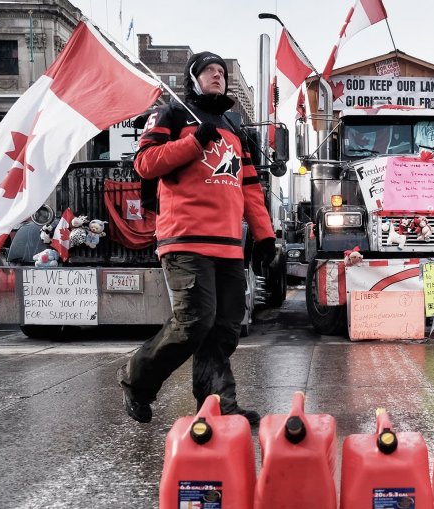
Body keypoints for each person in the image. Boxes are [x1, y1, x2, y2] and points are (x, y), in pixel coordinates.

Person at [116, 51, 276, 426]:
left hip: (227, 244)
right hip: (184, 238)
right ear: (194, 78)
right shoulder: (172, 114)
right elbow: (144, 163)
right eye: (209, 71)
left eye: (222, 72)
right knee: (194, 322)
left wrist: (265, 236)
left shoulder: (235, 127)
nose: (217, 76)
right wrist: (193, 143)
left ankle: (218, 405)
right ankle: (136, 381)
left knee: (225, 326)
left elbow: (250, 188)